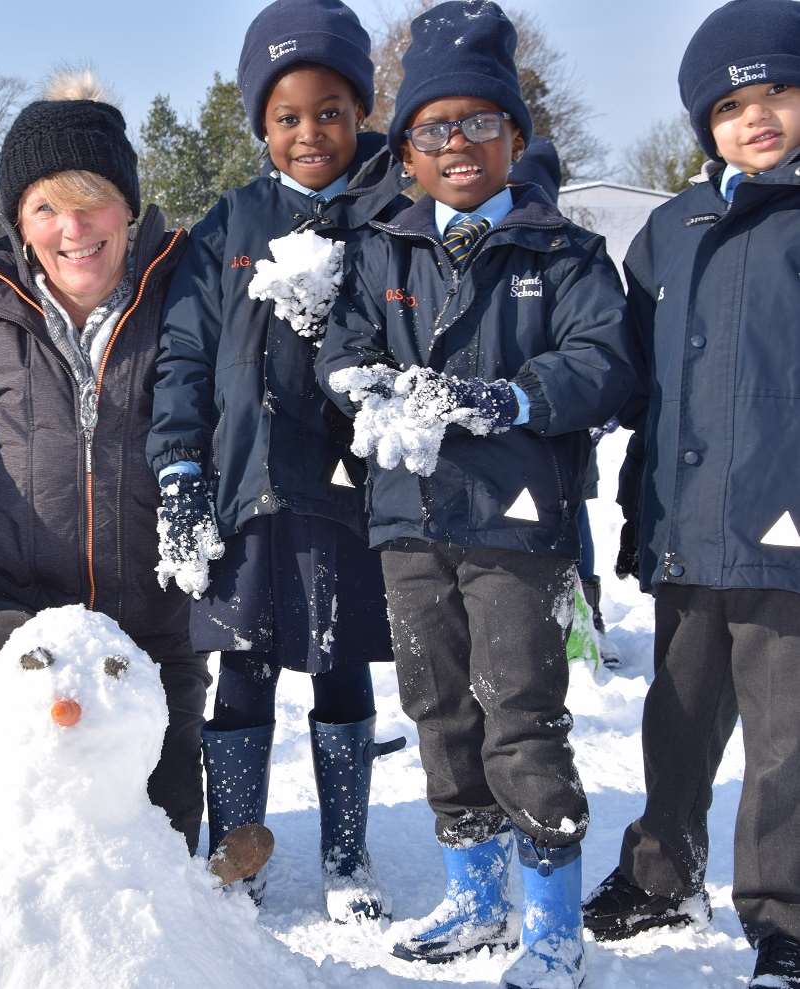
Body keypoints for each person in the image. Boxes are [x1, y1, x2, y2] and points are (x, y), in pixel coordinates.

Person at [316, 3, 637, 986]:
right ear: (405, 148)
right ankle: (476, 891)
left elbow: (603, 362)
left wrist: (508, 395)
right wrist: (356, 380)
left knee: (518, 711)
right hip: (408, 518)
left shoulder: (562, 253)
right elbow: (343, 341)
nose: (454, 145)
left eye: (477, 124)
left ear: (514, 137)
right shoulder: (383, 246)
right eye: (431, 129)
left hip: (515, 524)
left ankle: (548, 917)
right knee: (435, 706)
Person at [147, 0, 407, 922]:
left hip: (349, 487)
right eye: (287, 116)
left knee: (339, 664)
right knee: (244, 665)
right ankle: (239, 852)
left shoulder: (390, 212)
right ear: (260, 124)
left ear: (361, 113)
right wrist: (179, 469)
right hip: (247, 488)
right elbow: (183, 357)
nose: (311, 133)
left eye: (331, 111)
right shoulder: (230, 224)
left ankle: (346, 855)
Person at [0, 71, 211, 856]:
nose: (72, 227)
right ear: (19, 222)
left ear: (129, 205)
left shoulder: (186, 295)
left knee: (156, 849)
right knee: (41, 841)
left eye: (91, 200)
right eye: (45, 207)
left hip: (152, 621)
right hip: (12, 610)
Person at [582, 4, 800, 985]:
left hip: (785, 529)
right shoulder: (668, 232)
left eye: (778, 93)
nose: (754, 117)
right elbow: (634, 382)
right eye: (729, 103)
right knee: (673, 716)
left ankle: (782, 913)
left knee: (784, 739)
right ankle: (660, 869)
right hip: (683, 524)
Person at [509, 137, 622, 669]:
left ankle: (587, 615)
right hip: (514, 432)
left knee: (571, 517)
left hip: (565, 427)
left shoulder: (566, 252)